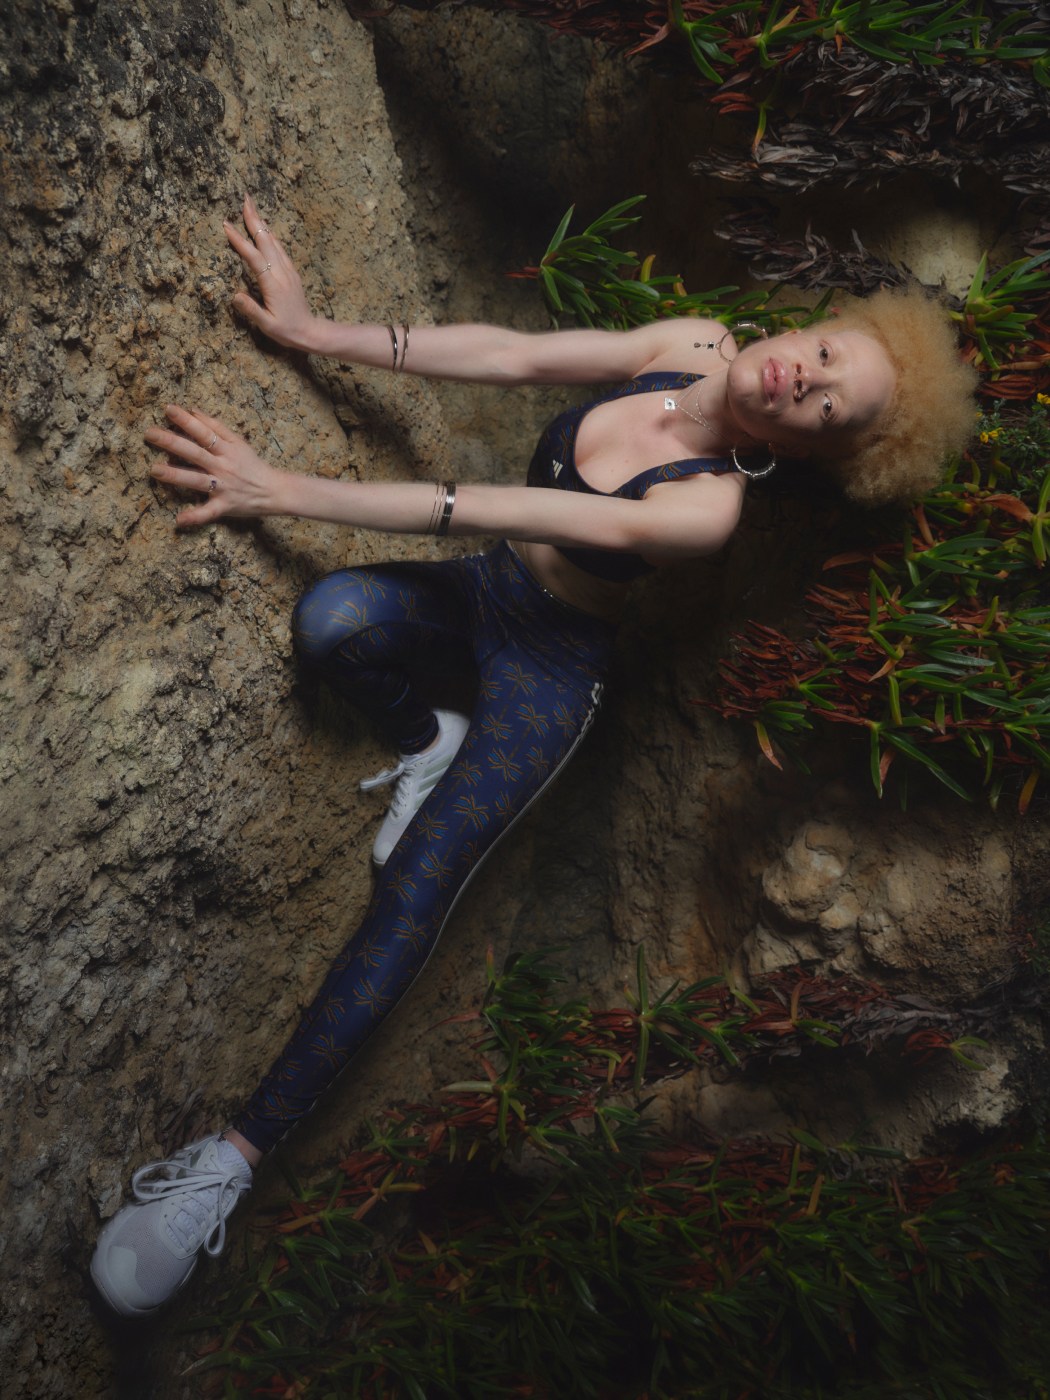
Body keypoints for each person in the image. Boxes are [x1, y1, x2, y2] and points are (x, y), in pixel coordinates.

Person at [90, 197, 977, 1317]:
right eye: (825, 356)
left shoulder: (705, 509)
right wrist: (322, 333)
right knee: (331, 623)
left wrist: (283, 489)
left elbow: (481, 502)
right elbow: (508, 356)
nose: (804, 379)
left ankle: (232, 1156)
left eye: (829, 408)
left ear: (811, 446)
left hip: (550, 669)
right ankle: (426, 734)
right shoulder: (691, 340)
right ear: (817, 326)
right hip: (481, 593)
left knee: (417, 887)